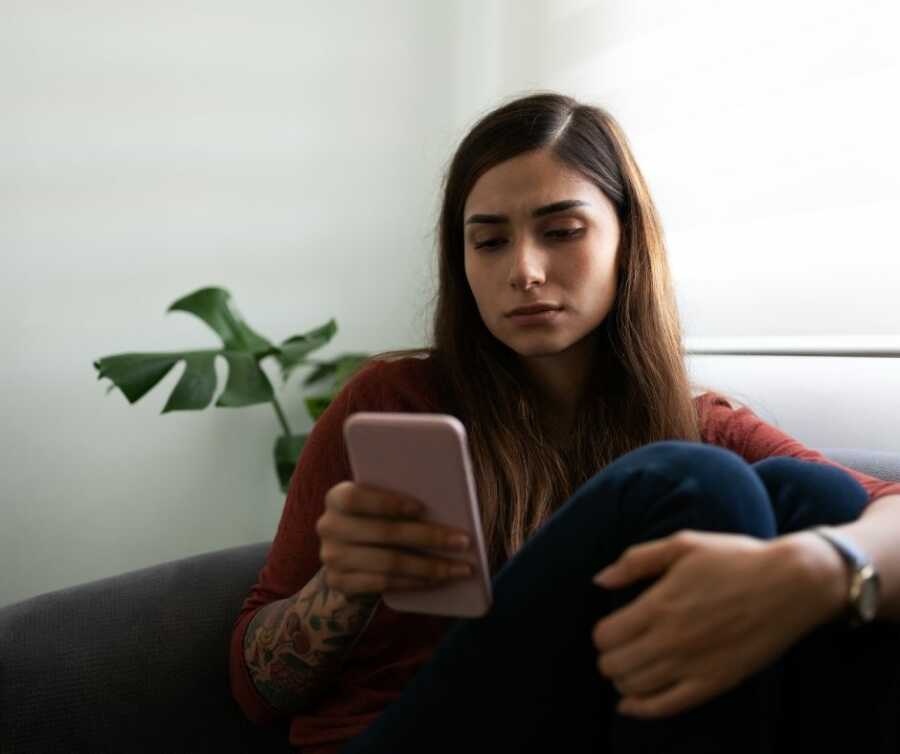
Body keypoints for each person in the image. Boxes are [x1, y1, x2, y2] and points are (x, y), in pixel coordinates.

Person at [230, 92, 900, 753]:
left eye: (562, 232)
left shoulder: (696, 419)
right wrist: (342, 588)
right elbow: (257, 691)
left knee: (820, 503)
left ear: (627, 240)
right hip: (397, 732)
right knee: (696, 482)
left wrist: (825, 568)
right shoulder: (393, 399)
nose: (523, 270)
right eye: (489, 241)